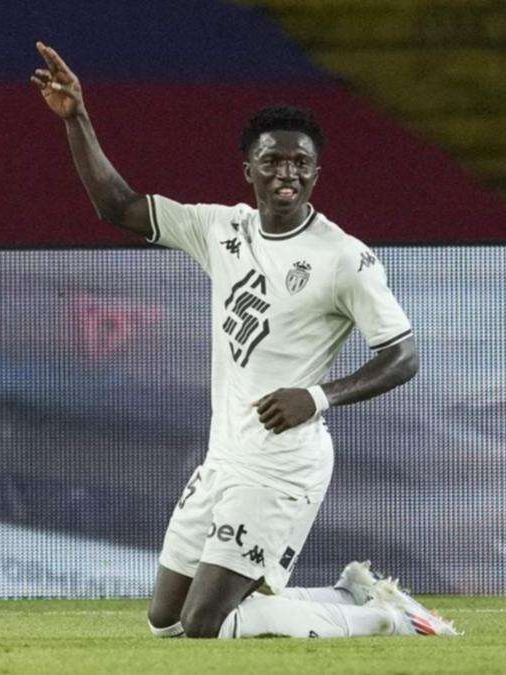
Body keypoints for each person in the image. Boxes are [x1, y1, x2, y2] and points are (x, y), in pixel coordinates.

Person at [32, 42, 455, 639]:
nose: (288, 172)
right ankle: (346, 592)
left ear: (315, 172)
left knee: (208, 622)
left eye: (300, 163)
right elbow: (119, 206)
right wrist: (76, 118)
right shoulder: (219, 229)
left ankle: (385, 619)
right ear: (249, 170)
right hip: (224, 458)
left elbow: (403, 355)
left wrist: (318, 395)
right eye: (274, 160)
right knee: (165, 624)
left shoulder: (343, 258)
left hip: (282, 466)